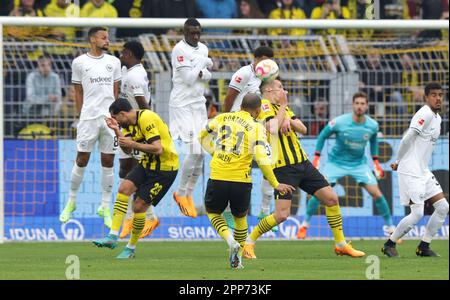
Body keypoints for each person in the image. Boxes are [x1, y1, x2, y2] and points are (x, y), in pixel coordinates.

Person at [242, 79, 365, 259]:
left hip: (302, 163)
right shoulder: (265, 106)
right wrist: (283, 109)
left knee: (331, 199)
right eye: (280, 88)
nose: (284, 92)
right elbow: (273, 128)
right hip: (283, 167)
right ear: (269, 90)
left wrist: (288, 119)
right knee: (282, 215)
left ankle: (341, 245)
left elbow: (303, 128)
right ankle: (249, 243)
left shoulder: (283, 109)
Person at [199, 93, 295, 269]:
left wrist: (214, 152)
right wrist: (276, 184)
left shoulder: (222, 117)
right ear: (258, 110)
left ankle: (230, 240)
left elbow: (202, 136)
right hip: (241, 181)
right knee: (241, 218)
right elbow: (261, 158)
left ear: (241, 106)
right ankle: (238, 259)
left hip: (218, 176)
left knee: (213, 213)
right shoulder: (257, 127)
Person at [297, 92, 395, 239]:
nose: (360, 106)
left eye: (363, 104)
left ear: (367, 106)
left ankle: (390, 228)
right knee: (319, 193)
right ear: (353, 105)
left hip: (359, 165)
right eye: (357, 103)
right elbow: (323, 135)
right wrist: (317, 157)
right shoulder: (339, 122)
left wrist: (375, 161)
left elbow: (374, 141)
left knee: (377, 194)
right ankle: (304, 225)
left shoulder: (373, 125)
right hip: (335, 163)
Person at [93, 98, 179, 259]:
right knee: (123, 189)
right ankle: (112, 237)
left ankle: (130, 247)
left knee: (138, 207)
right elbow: (127, 149)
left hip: (164, 170)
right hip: (146, 164)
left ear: (123, 114)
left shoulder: (147, 118)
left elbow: (157, 148)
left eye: (116, 118)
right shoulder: (128, 126)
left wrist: (133, 144)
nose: (116, 121)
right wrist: (116, 131)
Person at [59, 27, 121, 228]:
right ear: (92, 39)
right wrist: (80, 116)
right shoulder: (79, 62)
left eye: (108, 37)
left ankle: (104, 206)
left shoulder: (114, 62)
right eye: (104, 37)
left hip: (108, 119)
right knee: (82, 158)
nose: (107, 40)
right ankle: (72, 201)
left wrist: (115, 116)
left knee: (108, 161)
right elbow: (78, 92)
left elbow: (116, 92)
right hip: (88, 118)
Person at [382, 83, 448, 258]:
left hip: (423, 170)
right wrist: (398, 160)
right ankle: (390, 244)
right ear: (426, 97)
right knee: (417, 213)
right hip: (410, 169)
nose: (438, 98)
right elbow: (407, 138)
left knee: (442, 207)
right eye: (434, 95)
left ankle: (424, 246)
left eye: (440, 95)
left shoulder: (438, 118)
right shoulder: (424, 114)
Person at [116, 41, 160, 240]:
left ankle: (143, 216)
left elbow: (143, 104)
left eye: (123, 52)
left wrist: (145, 126)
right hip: (127, 126)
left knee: (135, 172)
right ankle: (133, 216)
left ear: (131, 54)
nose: (121, 55)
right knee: (124, 169)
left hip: (136, 128)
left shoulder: (134, 76)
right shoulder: (131, 71)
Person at [170, 18, 213, 218]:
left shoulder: (203, 48)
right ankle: (179, 192)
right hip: (181, 105)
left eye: (198, 33)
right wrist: (204, 66)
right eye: (191, 33)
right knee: (194, 149)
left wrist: (202, 70)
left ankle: (188, 194)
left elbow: (208, 76)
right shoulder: (179, 50)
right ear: (185, 32)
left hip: (198, 103)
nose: (195, 37)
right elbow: (188, 79)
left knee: (202, 152)